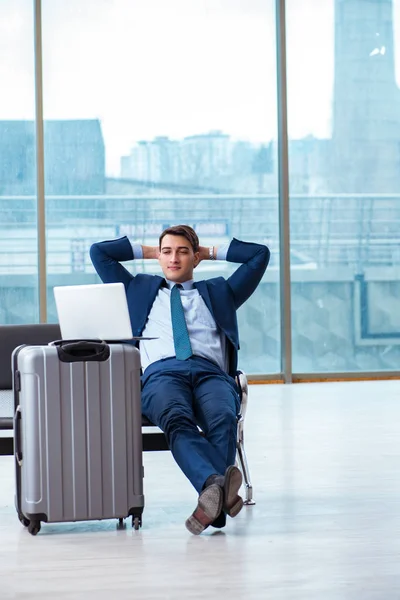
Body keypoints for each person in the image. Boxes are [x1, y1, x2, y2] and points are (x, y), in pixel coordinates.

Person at [90, 225, 269, 535]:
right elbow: (100, 252)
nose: (174, 258)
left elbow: (258, 255)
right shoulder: (137, 288)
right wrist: (152, 251)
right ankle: (219, 490)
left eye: (183, 252)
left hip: (210, 373)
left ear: (195, 258)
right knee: (175, 418)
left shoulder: (220, 292)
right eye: (167, 252)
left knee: (224, 418)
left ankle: (212, 493)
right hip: (161, 374)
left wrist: (208, 251)